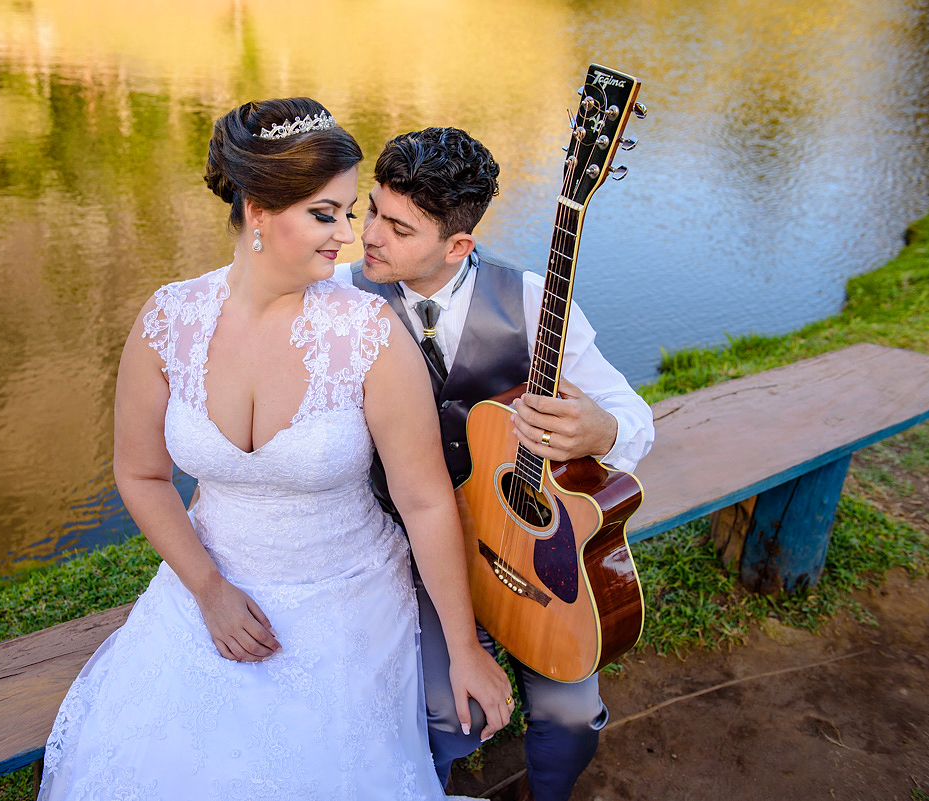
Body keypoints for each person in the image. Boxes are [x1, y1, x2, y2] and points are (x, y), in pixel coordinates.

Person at [37, 99, 513, 800]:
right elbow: (139, 472)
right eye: (327, 214)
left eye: (351, 213)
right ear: (258, 208)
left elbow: (424, 499)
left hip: (348, 602)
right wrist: (209, 589)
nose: (348, 239)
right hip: (208, 584)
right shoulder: (167, 321)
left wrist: (465, 646)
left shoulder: (369, 334)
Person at [334, 127, 655, 801]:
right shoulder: (339, 299)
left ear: (458, 246)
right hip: (409, 546)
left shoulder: (536, 299)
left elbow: (635, 420)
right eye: (371, 210)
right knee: (448, 713)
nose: (368, 237)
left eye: (398, 227)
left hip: (527, 550)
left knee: (572, 715)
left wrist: (603, 427)